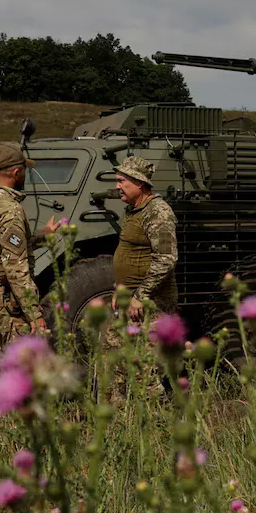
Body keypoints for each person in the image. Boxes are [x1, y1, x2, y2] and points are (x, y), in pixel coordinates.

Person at [0, 141, 62, 355]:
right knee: (25, 366)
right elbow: (15, 268)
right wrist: (34, 314)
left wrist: (45, 234)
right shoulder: (9, 210)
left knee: (8, 366)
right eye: (24, 171)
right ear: (16, 172)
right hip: (8, 304)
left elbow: (3, 245)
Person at [101, 155, 178, 403]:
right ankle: (117, 417)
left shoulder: (158, 212)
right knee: (114, 361)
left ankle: (160, 422)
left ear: (139, 183)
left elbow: (166, 258)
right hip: (128, 300)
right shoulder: (133, 210)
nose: (117, 186)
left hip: (150, 305)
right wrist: (120, 288)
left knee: (145, 371)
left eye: (121, 181)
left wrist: (140, 296)